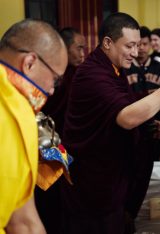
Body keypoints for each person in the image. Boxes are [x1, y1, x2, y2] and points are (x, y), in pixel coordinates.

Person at [60, 12, 160, 234]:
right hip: (93, 185)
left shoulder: (113, 69)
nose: (135, 53)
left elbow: (124, 104)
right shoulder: (92, 73)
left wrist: (148, 126)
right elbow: (125, 118)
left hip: (111, 180)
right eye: (130, 46)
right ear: (107, 43)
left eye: (138, 46)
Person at [0, 19, 67, 234]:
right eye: (55, 80)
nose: (52, 90)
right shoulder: (17, 111)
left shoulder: (24, 115)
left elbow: (22, 218)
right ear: (29, 63)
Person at [35, 27, 85, 234]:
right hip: (46, 145)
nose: (83, 53)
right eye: (79, 48)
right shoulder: (52, 77)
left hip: (68, 145)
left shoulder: (78, 75)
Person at [125, 26, 160, 161]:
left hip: (156, 123)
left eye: (145, 44)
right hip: (132, 125)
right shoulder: (125, 68)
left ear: (150, 45)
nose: (141, 48)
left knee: (155, 160)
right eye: (138, 44)